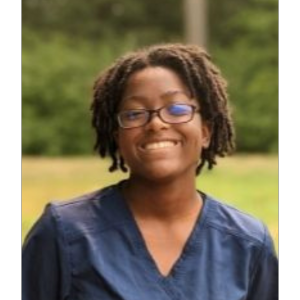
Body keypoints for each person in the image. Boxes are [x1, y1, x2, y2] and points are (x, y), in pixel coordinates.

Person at [22, 44, 278, 300]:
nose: (156, 123)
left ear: (205, 132)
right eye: (134, 114)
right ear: (118, 138)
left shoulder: (248, 243)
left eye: (177, 109)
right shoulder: (65, 233)